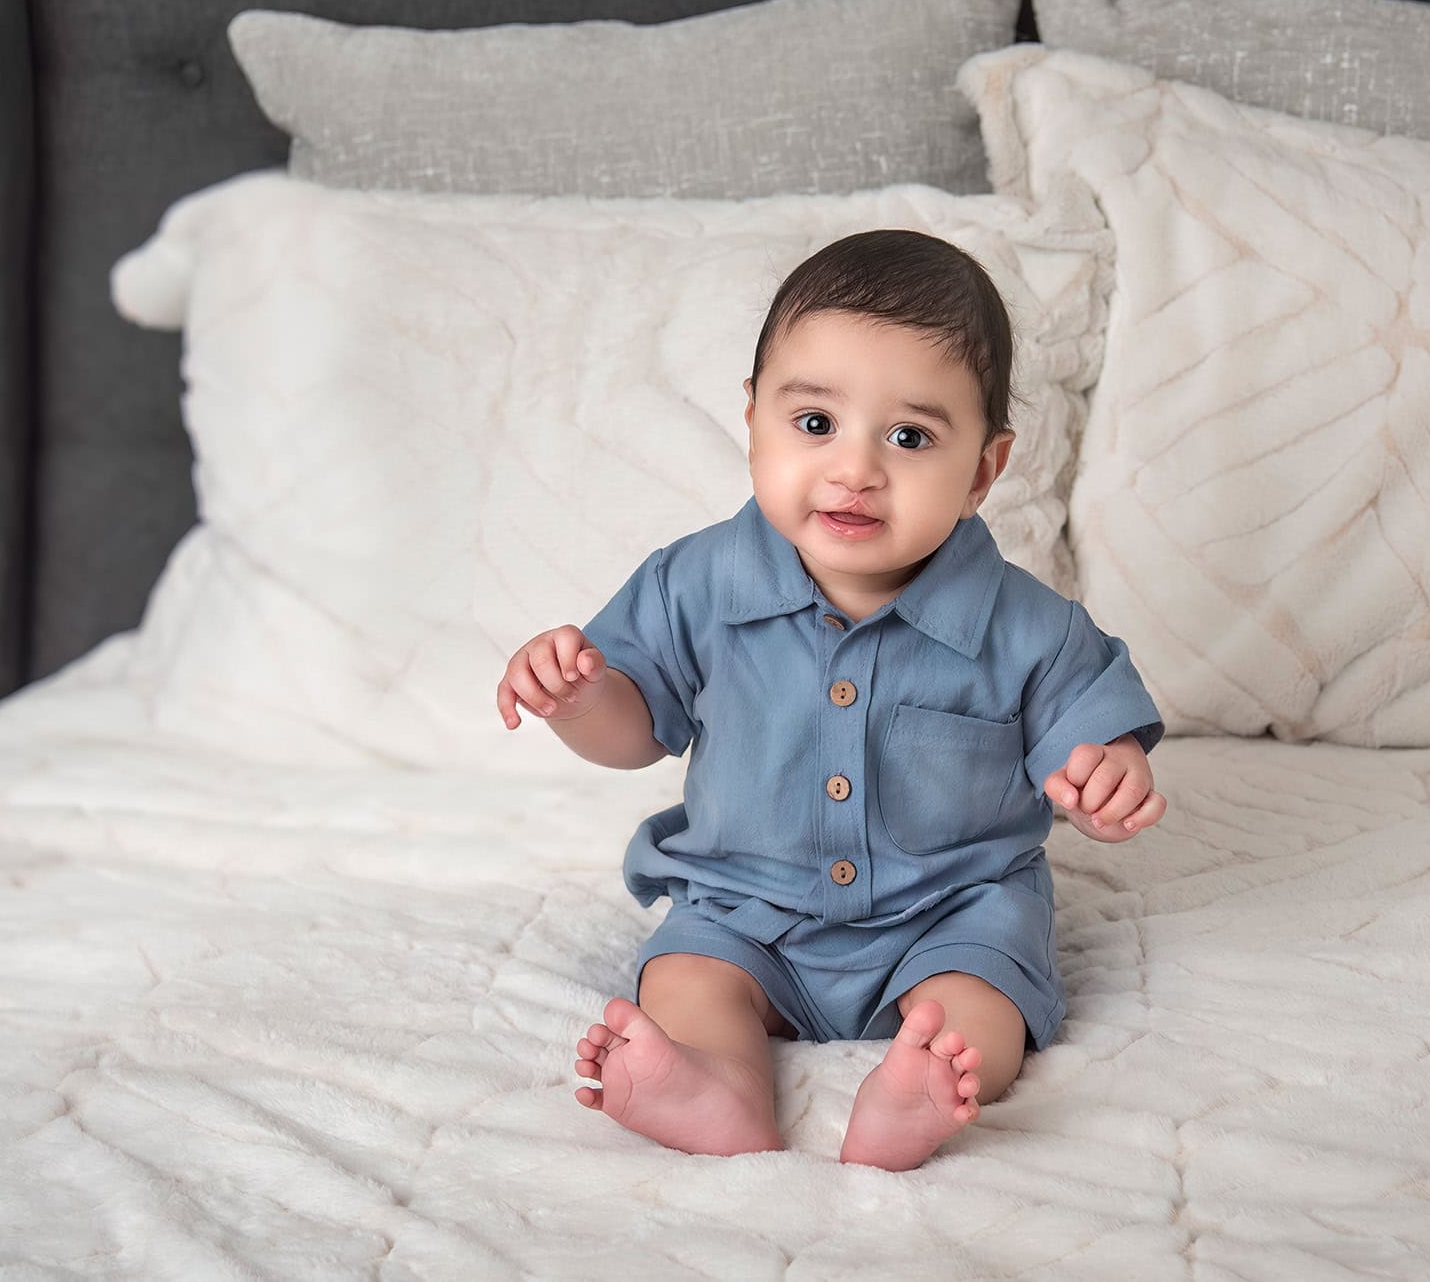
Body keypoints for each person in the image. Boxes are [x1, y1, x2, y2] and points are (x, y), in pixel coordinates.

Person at [495, 230, 1166, 1171]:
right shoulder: (697, 583)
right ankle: (716, 1085)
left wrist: (1108, 776)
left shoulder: (1030, 626)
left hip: (948, 913)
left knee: (980, 1001)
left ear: (982, 468)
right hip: (745, 909)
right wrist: (577, 698)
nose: (856, 470)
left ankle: (918, 1091)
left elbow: (1092, 730)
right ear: (755, 421)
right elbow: (633, 730)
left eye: (910, 437)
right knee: (685, 976)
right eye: (815, 424)